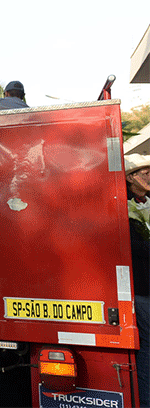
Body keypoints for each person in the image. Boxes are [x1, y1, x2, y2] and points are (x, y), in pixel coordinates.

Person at [124, 153, 150, 407]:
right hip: (142, 288)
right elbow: (129, 247)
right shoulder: (124, 206)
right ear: (131, 178)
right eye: (145, 172)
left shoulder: (147, 202)